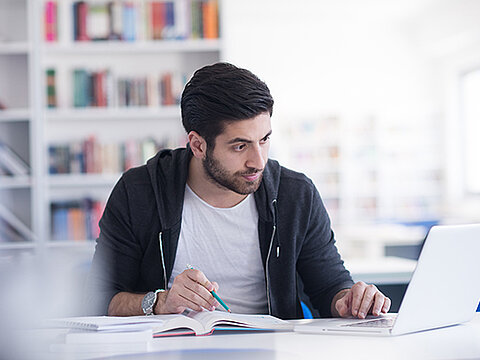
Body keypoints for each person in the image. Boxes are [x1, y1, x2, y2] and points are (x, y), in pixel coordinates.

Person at [85, 62, 391, 320]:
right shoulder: (139, 192)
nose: (258, 161)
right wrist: (160, 302)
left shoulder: (295, 195)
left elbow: (330, 288)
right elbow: (99, 298)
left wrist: (351, 301)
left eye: (264, 140)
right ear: (198, 145)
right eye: (240, 146)